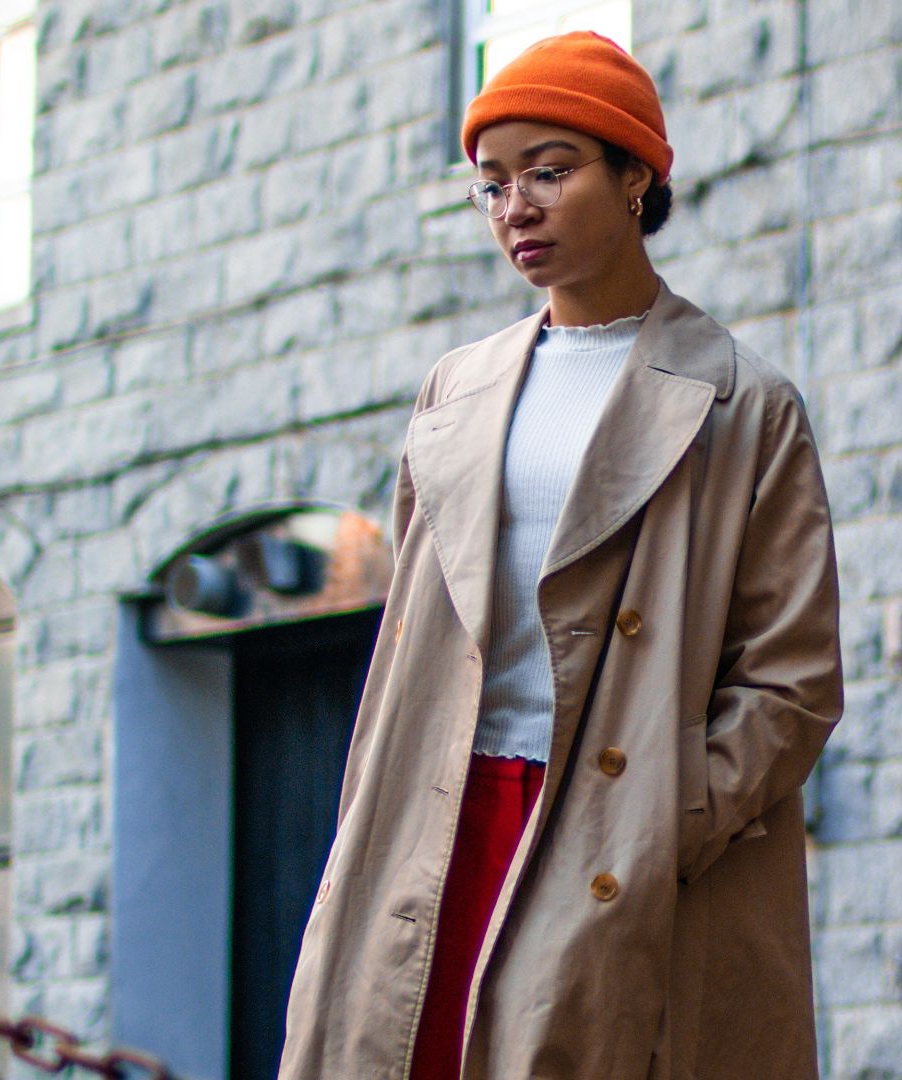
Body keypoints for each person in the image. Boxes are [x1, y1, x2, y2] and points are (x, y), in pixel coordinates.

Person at [275, 30, 843, 1080]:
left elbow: (793, 679)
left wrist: (664, 818)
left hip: (614, 828)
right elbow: (412, 635)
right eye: (493, 184)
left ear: (636, 177)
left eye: (549, 171)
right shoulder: (457, 387)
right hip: (439, 814)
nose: (515, 208)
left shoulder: (742, 401)